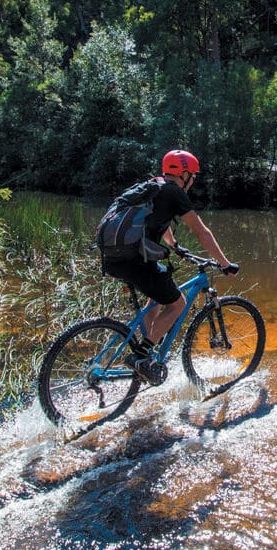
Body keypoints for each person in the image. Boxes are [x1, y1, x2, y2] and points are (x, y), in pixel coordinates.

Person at [100, 149, 237, 380]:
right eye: (192, 175)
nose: (193, 180)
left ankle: (147, 344)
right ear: (184, 174)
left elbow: (158, 221)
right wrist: (224, 263)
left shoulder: (153, 186)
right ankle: (142, 356)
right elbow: (201, 231)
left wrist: (173, 245)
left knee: (158, 287)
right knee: (177, 304)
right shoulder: (174, 192)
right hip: (135, 261)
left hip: (113, 258)